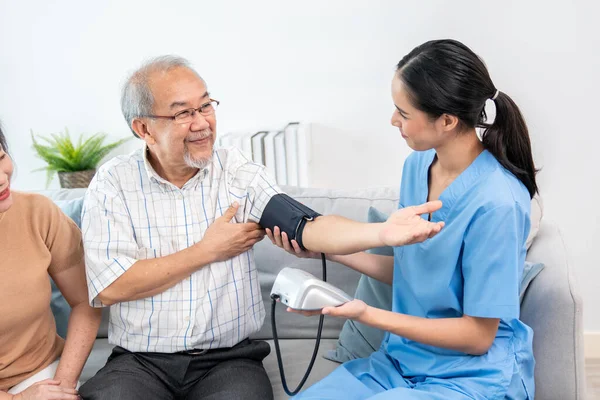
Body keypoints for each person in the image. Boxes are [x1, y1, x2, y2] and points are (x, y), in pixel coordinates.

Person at [78, 55, 444, 400]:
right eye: (183, 113)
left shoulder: (236, 171)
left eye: (206, 105)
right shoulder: (114, 184)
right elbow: (111, 285)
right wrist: (208, 250)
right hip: (140, 361)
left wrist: (379, 234)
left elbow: (307, 226)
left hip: (228, 361)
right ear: (144, 128)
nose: (203, 122)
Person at [268, 39, 538, 399]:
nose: (393, 120)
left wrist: (366, 314)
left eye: (404, 113)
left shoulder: (498, 203)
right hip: (399, 363)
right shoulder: (417, 166)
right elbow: (420, 276)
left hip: (471, 377)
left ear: (446, 120)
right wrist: (327, 251)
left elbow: (478, 336)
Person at [0, 124, 102, 400]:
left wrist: (62, 386)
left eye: (0, 158)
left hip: (41, 372)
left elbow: (86, 302)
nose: (1, 178)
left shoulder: (38, 213)